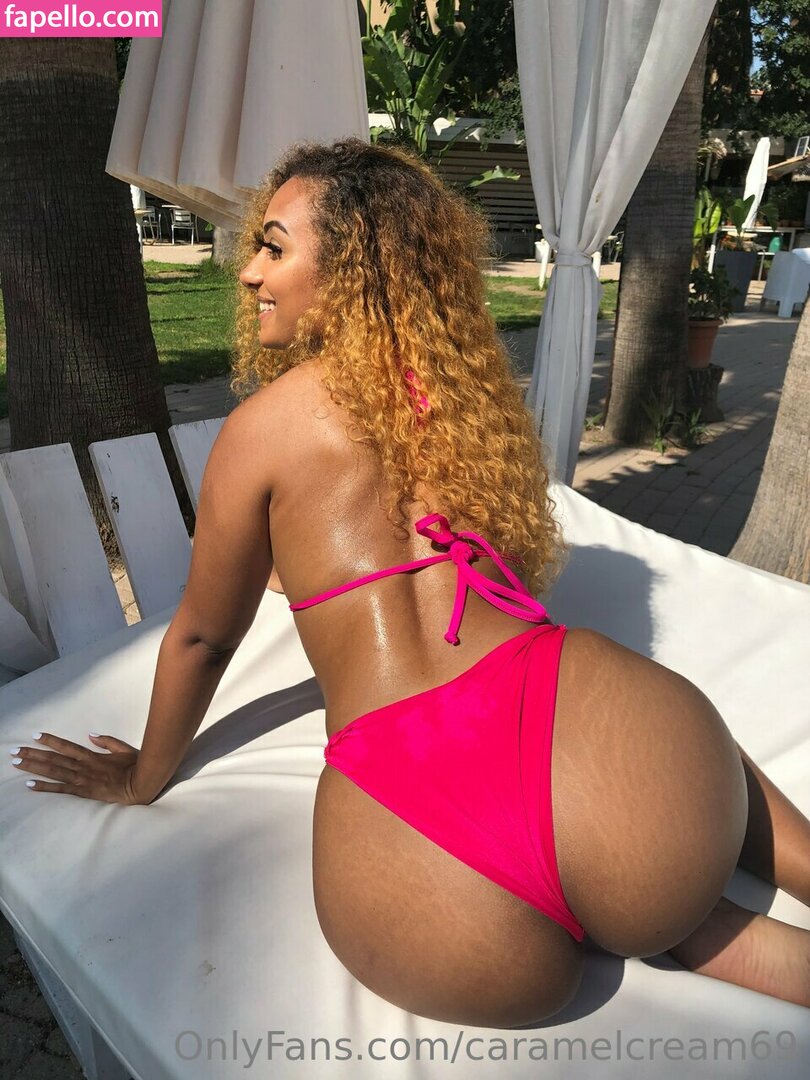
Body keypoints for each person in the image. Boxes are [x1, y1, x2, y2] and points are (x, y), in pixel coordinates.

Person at [13, 138, 810, 1026]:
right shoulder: (466, 401)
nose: (249, 273)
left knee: (635, 904)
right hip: (622, 757)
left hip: (415, 812)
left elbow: (203, 638)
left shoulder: (261, 432)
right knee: (655, 869)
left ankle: (654, 909)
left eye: (273, 247)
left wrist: (142, 777)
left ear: (349, 270)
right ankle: (704, 890)